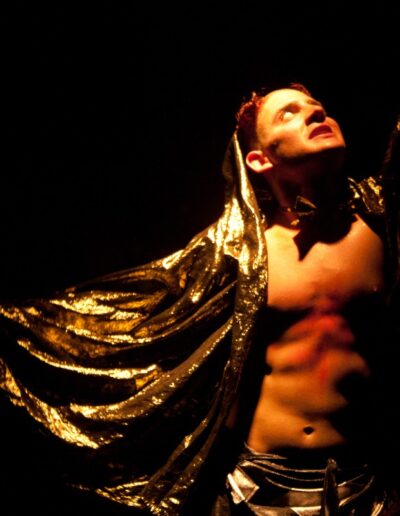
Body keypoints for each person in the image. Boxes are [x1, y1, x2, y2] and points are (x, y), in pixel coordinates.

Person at [0, 83, 399, 515]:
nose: (316, 113)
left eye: (318, 106)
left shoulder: (383, 226)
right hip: (259, 492)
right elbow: (125, 321)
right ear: (259, 160)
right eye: (289, 113)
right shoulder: (236, 253)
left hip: (363, 488)